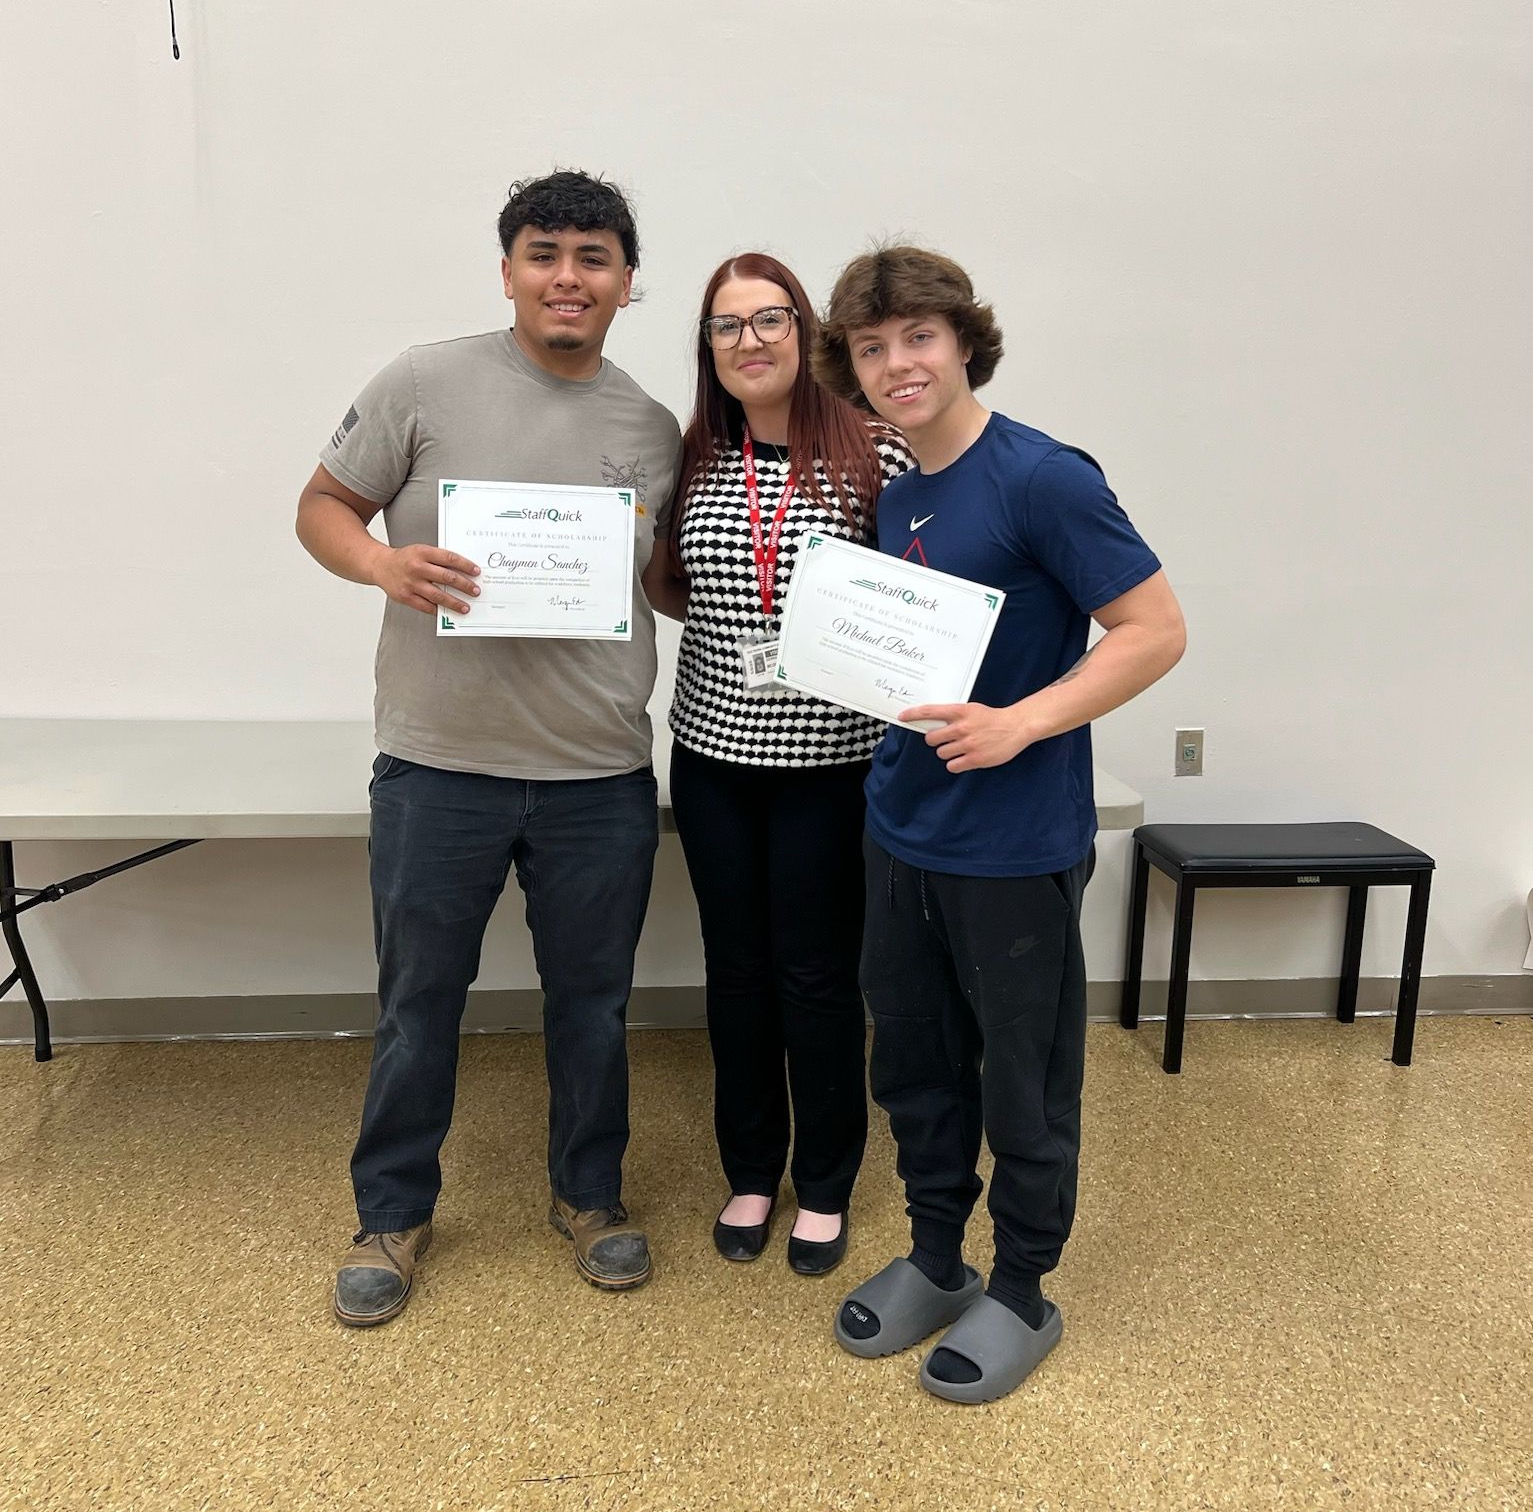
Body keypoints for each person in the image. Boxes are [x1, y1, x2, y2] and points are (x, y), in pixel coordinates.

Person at [295, 170, 683, 1325]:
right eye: (544, 252)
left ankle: (591, 1197)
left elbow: (661, 578)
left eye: (593, 256)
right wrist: (381, 565)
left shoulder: (651, 426)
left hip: (597, 771)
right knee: (420, 997)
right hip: (438, 764)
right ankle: (393, 1213)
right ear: (508, 268)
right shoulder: (423, 379)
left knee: (592, 1002)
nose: (569, 276)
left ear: (626, 280)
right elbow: (321, 504)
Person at [812, 246, 1186, 1401]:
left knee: (1021, 1077)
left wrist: (1023, 722)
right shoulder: (901, 484)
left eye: (917, 337)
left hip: (1014, 843)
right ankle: (937, 1256)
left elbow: (1152, 628)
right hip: (901, 830)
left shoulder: (1043, 476)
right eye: (871, 349)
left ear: (964, 340)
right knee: (915, 1066)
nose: (896, 363)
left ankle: (1023, 1285)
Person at [642, 254, 909, 1274]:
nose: (749, 340)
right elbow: (672, 583)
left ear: (803, 331)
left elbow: (909, 595)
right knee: (737, 971)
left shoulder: (873, 450)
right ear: (708, 348)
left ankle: (828, 1179)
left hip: (832, 764)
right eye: (726, 326)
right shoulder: (695, 453)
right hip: (712, 756)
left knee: (817, 974)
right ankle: (750, 1168)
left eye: (769, 319)